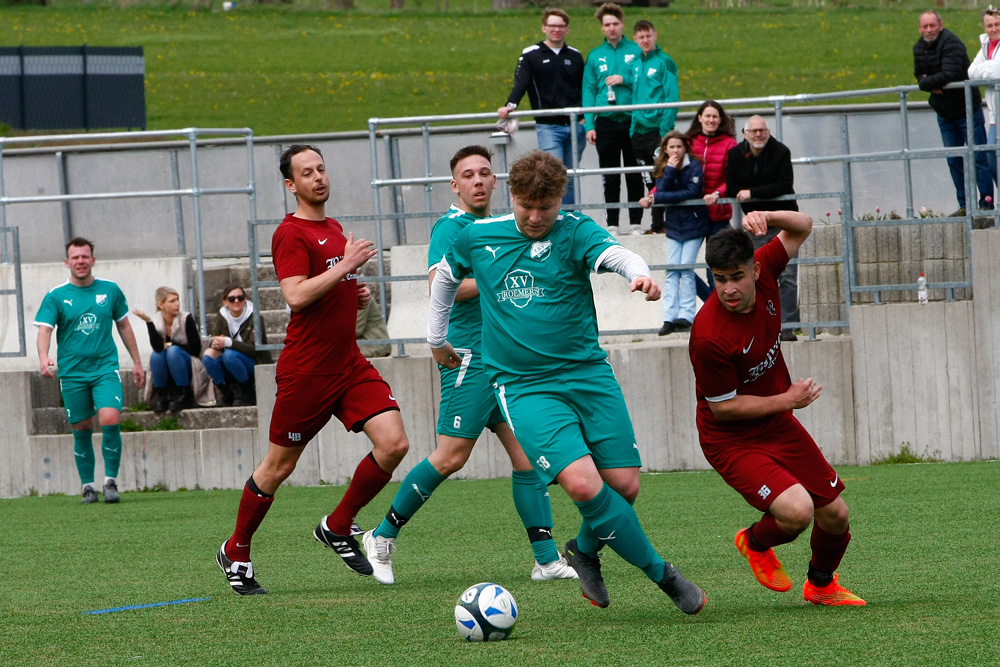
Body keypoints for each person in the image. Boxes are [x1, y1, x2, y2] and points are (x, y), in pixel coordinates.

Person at [428, 149, 706, 614]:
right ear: (511, 195)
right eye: (526, 206)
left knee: (624, 485)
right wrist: (437, 338)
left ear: (561, 199)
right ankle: (666, 576)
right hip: (523, 384)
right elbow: (443, 279)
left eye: (546, 207)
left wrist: (640, 275)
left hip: (588, 374)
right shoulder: (477, 236)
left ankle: (584, 552)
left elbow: (616, 252)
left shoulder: (574, 230)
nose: (536, 217)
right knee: (582, 485)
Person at [363, 146, 577, 586]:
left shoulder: (499, 227)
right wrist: (496, 278)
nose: (478, 180)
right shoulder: (452, 227)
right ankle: (381, 537)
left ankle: (545, 559)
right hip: (468, 359)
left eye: (484, 173)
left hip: (503, 361)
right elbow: (438, 285)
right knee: (450, 457)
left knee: (528, 460)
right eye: (468, 175)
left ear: (497, 182)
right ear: (454, 185)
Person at [216, 144, 409, 596]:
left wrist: (352, 290)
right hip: (307, 371)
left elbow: (328, 286)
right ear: (291, 185)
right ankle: (236, 551)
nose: (318, 177)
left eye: (321, 168)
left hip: (348, 363)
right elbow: (296, 296)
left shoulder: (334, 227)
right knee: (277, 468)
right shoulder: (290, 234)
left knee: (394, 443)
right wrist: (346, 265)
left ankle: (338, 526)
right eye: (307, 172)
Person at [688, 210, 865, 607]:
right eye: (719, 279)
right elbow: (725, 410)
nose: (728, 289)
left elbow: (803, 225)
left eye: (736, 276)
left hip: (775, 422)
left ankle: (821, 586)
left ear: (754, 269)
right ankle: (752, 542)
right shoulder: (708, 337)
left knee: (835, 514)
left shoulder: (767, 266)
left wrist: (766, 214)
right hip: (730, 439)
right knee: (798, 511)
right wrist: (789, 399)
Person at [34, 237, 145, 504]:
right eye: (75, 257)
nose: (81, 261)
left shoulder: (110, 290)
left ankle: (110, 482)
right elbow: (45, 330)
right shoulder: (56, 295)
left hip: (104, 368)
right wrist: (43, 357)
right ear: (67, 262)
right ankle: (88, 486)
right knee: (81, 427)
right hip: (73, 373)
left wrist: (138, 362)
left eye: (85, 257)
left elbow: (125, 326)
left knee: (110, 417)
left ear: (93, 260)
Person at [498, 7, 586, 206]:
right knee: (554, 174)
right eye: (552, 25)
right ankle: (556, 217)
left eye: (561, 26)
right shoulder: (531, 55)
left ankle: (571, 218)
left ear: (567, 29)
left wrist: (586, 115)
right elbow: (520, 84)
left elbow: (585, 87)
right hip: (548, 126)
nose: (557, 29)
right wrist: (509, 106)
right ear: (544, 28)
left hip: (575, 124)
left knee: (570, 177)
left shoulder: (575, 56)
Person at [726, 115, 800, 341]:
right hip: (754, 224)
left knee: (787, 276)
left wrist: (753, 193)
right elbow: (731, 186)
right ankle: (760, 325)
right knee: (756, 275)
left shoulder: (781, 152)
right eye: (754, 131)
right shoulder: (735, 154)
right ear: (745, 134)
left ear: (768, 132)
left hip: (783, 223)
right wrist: (753, 192)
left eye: (763, 130)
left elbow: (784, 185)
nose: (759, 134)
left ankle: (787, 326)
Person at [915, 9, 993, 216]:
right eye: (925, 26)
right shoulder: (918, 47)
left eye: (933, 25)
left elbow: (948, 74)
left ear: (940, 25)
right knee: (954, 160)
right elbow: (919, 76)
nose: (929, 29)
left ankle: (986, 203)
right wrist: (930, 83)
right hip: (944, 113)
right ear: (920, 28)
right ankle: (965, 205)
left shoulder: (952, 44)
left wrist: (928, 81)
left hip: (967, 109)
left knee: (978, 156)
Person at [583, 2, 645, 234]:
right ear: (602, 27)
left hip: (632, 120)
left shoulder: (636, 50)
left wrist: (625, 78)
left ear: (622, 24)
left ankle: (636, 223)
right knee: (610, 176)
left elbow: (645, 81)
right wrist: (589, 124)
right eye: (607, 24)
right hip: (605, 121)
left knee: (634, 173)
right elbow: (588, 90)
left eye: (615, 24)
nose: (611, 28)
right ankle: (612, 223)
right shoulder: (595, 55)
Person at [639, 131, 708, 336]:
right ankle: (669, 317)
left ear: (685, 147)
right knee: (672, 271)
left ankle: (686, 316)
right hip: (674, 227)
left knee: (686, 269)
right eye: (672, 147)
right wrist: (669, 170)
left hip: (694, 224)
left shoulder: (694, 165)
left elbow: (692, 192)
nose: (676, 150)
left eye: (679, 146)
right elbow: (661, 189)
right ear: (666, 150)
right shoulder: (664, 167)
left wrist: (662, 198)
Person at [685, 100, 738, 300]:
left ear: (720, 120)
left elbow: (732, 179)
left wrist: (717, 194)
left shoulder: (729, 144)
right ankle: (713, 307)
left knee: (715, 268)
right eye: (707, 116)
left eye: (715, 116)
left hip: (719, 216)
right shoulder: (689, 142)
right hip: (693, 214)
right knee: (683, 267)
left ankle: (718, 311)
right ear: (699, 118)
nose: (711, 120)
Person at [630, 19, 679, 235]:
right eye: (641, 37)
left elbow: (672, 97)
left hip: (657, 131)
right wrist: (632, 126)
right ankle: (656, 224)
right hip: (638, 131)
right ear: (635, 39)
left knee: (663, 177)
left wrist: (664, 130)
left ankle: (661, 224)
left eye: (648, 36)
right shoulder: (635, 63)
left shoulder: (665, 62)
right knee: (648, 178)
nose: (645, 40)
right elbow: (634, 97)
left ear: (655, 35)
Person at [133, 286, 204, 412]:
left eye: (177, 300)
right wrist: (148, 322)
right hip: (168, 364)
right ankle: (162, 396)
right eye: (172, 301)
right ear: (161, 305)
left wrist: (172, 345)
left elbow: (196, 349)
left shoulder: (186, 318)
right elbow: (158, 347)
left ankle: (184, 394)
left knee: (173, 351)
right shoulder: (156, 321)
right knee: (156, 355)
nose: (177, 304)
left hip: (188, 362)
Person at [203, 283, 269, 406]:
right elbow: (217, 338)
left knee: (229, 355)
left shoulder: (255, 317)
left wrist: (228, 342)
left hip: (254, 362)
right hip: (232, 362)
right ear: (225, 302)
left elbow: (254, 349)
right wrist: (216, 344)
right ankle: (227, 392)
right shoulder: (222, 316)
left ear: (245, 300)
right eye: (232, 299)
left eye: (240, 297)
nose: (236, 301)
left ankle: (248, 391)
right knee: (208, 356)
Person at [968, 4, 1000, 185]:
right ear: (984, 27)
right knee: (991, 156)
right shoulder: (985, 45)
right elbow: (971, 72)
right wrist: (990, 69)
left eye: (997, 24)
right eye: (990, 25)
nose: (994, 29)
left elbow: (996, 71)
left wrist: (986, 69)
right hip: (995, 114)